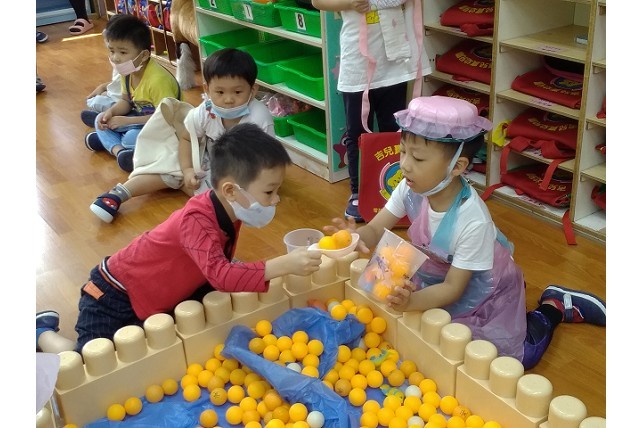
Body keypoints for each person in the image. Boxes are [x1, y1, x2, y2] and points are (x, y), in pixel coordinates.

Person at [325, 96, 606, 369]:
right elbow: (376, 227)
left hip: (481, 285)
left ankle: (554, 305)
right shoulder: (410, 186)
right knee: (425, 335)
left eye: (418, 158)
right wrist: (356, 237)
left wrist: (413, 302)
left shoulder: (472, 220)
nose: (405, 164)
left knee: (511, 359)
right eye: (403, 151)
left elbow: (453, 289)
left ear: (457, 166)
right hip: (440, 271)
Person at [37, 123, 323, 354]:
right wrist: (283, 264)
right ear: (231, 190)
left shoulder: (232, 209)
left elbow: (216, 267)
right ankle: (41, 333)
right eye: (269, 192)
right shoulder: (196, 219)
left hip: (161, 296)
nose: (275, 200)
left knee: (163, 341)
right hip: (112, 295)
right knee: (86, 361)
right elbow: (221, 275)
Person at [89, 48, 274, 223]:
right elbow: (186, 138)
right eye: (219, 92)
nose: (228, 99)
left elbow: (267, 163)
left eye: (238, 92)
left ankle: (188, 188)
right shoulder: (206, 111)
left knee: (232, 203)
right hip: (210, 162)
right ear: (207, 89)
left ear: (253, 90)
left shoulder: (259, 118)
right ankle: (118, 194)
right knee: (171, 166)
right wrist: (187, 170)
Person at [312, 0, 431, 222]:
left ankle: (397, 188)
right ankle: (359, 192)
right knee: (357, 133)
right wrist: (350, 3)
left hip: (394, 63)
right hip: (358, 65)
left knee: (394, 131)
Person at [84, 14, 181, 173]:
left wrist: (126, 121)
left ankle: (110, 142)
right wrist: (111, 112)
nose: (115, 58)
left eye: (123, 52)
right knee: (99, 119)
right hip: (140, 118)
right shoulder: (127, 71)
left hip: (166, 125)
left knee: (131, 137)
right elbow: (126, 101)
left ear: (144, 55)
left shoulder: (158, 80)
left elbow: (165, 118)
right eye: (112, 51)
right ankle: (120, 151)